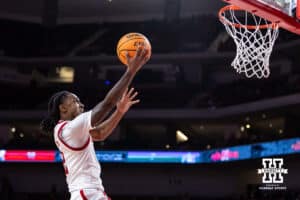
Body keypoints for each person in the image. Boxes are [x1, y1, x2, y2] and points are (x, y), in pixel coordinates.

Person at [41, 46, 149, 200]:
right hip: (88, 193)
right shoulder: (69, 129)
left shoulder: (68, 130)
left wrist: (119, 112)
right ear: (63, 108)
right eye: (76, 101)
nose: (82, 105)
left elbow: (99, 133)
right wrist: (130, 71)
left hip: (89, 193)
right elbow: (107, 104)